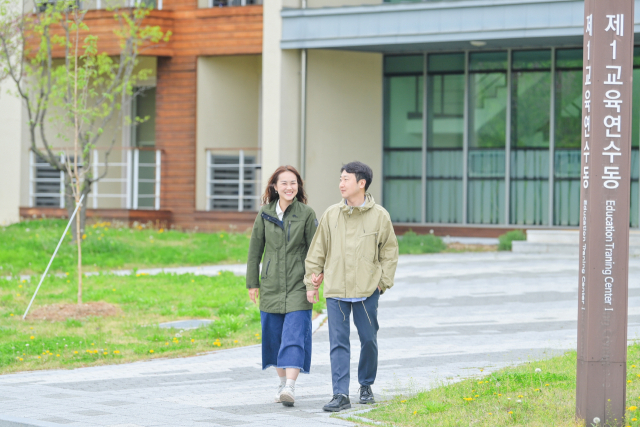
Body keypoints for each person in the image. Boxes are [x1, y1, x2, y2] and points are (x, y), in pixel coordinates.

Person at [304, 161, 399, 412]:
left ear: (361, 183)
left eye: (346, 179)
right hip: (336, 290)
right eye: (340, 179)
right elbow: (317, 251)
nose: (341, 184)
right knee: (338, 342)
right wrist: (311, 282)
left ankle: (366, 384)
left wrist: (382, 283)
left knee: (368, 339)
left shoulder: (380, 216)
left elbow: (389, 252)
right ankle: (340, 394)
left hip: (368, 290)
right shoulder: (331, 214)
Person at [246, 165, 322, 407]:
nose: (289, 187)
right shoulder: (265, 213)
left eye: (294, 183)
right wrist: (252, 283)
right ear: (275, 187)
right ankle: (281, 384)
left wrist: (313, 283)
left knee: (294, 335)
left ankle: (290, 386)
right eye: (284, 183)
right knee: (274, 337)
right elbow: (254, 251)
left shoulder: (306, 214)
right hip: (271, 285)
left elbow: (316, 251)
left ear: (298, 187)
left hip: (299, 285)